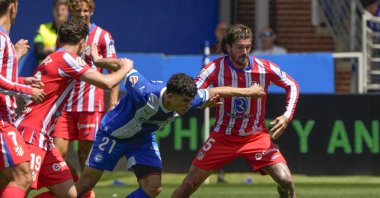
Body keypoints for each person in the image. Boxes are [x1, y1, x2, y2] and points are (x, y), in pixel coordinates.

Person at [74, 70, 266, 197]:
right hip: (113, 135)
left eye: (190, 101)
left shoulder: (189, 99)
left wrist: (249, 91)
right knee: (85, 185)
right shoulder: (145, 91)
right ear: (170, 96)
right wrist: (101, 61)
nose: (188, 106)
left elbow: (218, 90)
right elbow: (125, 66)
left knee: (153, 187)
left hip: (142, 140)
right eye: (184, 102)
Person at [172, 24, 299, 198]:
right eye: (240, 47)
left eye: (248, 47)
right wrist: (202, 103)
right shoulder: (214, 68)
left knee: (286, 182)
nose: (245, 52)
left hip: (256, 136)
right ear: (228, 47)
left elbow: (292, 85)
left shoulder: (264, 68)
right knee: (189, 184)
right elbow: (192, 93)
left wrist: (287, 116)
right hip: (222, 137)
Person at [14, 19, 132, 197]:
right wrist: (126, 67)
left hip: (42, 137)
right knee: (20, 187)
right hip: (32, 134)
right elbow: (107, 82)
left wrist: (97, 60)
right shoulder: (67, 59)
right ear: (83, 42)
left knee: (70, 194)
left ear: (59, 40)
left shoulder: (55, 57)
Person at [51, 0, 119, 191]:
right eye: (77, 10)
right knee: (56, 154)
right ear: (71, 11)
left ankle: (85, 193)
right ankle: (72, 189)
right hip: (65, 106)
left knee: (85, 157)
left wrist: (112, 103)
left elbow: (114, 69)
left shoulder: (103, 36)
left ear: (92, 11)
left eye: (85, 10)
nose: (81, 14)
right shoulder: (65, 34)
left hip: (90, 105)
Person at [0, 0, 46, 197]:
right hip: (1, 121)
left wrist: (24, 81)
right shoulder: (1, 39)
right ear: (14, 6)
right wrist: (28, 92)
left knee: (5, 181)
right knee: (23, 177)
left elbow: (4, 78)